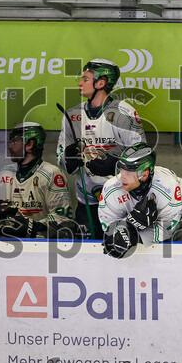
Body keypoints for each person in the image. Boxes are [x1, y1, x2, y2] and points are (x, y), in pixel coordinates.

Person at [56, 59, 145, 239]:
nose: (80, 83)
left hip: (121, 203)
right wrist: (68, 159)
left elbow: (144, 160)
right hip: (86, 204)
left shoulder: (123, 113)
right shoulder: (72, 115)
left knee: (121, 255)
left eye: (85, 79)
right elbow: (61, 159)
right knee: (85, 261)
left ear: (101, 83)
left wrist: (115, 166)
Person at [98, 143, 182, 258]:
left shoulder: (168, 187)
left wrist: (134, 235)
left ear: (144, 174)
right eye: (121, 170)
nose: (122, 177)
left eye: (128, 173)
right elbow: (109, 228)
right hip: (153, 232)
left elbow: (166, 230)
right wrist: (130, 226)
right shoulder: (110, 189)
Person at [0, 121, 78, 240]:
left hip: (39, 246)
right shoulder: (2, 174)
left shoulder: (52, 174)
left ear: (30, 144)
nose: (9, 146)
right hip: (4, 242)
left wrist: (33, 227)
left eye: (14, 141)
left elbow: (64, 221)